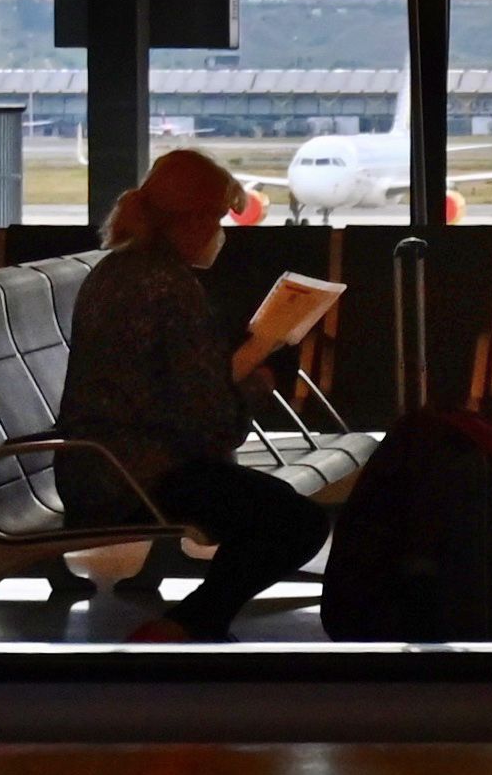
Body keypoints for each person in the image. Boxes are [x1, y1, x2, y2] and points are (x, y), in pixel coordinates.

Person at [60, 149, 328, 637]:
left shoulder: (114, 270)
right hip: (138, 474)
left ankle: (195, 622)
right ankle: (192, 623)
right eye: (218, 217)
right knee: (296, 522)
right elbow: (210, 424)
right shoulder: (171, 286)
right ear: (197, 218)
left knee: (265, 507)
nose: (219, 232)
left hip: (96, 464)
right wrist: (252, 388)